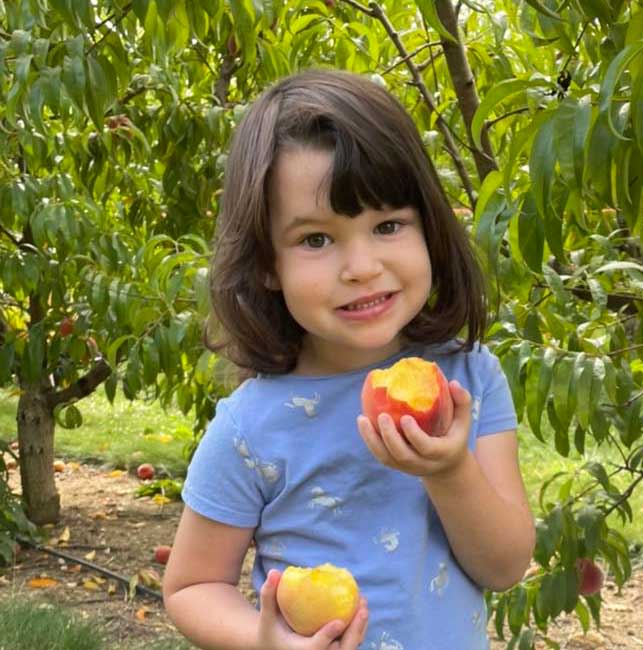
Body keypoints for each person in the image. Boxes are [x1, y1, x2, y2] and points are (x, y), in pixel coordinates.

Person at [162, 68, 536, 650]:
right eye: (316, 239)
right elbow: (191, 586)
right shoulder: (251, 426)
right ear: (266, 262)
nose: (361, 266)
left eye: (388, 225)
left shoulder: (468, 381)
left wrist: (449, 469)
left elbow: (505, 565)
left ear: (430, 231)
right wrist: (263, 640)